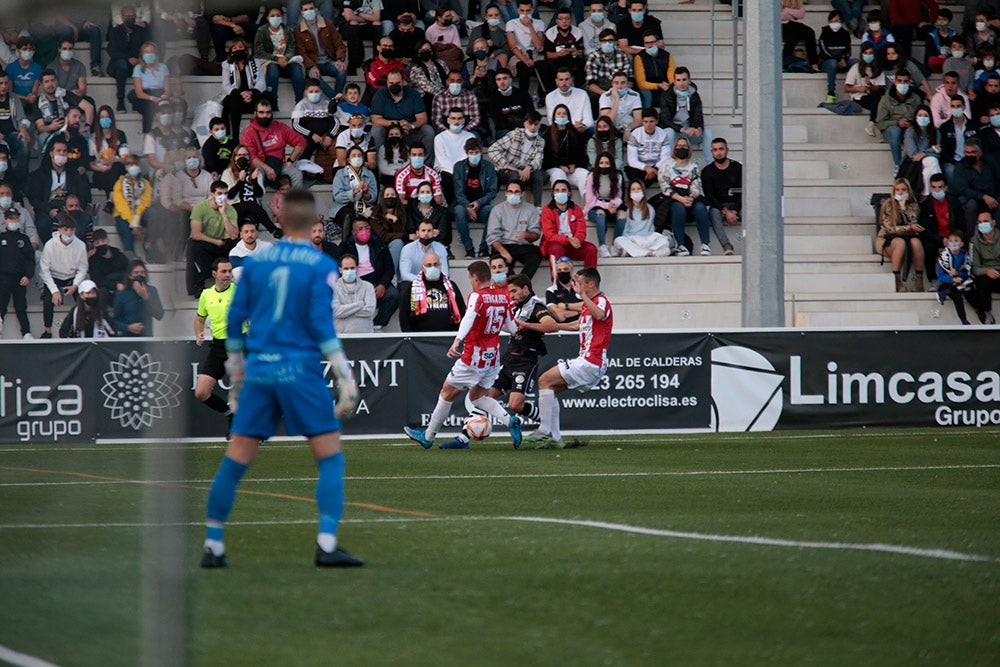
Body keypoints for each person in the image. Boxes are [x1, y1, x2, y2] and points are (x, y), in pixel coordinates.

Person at [202, 188, 362, 569]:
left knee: (236, 460)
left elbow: (235, 325)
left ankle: (213, 545)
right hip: (300, 369)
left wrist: (238, 380)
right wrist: (344, 375)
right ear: (313, 223)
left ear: (281, 220)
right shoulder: (320, 264)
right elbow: (322, 325)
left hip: (260, 369)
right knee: (329, 458)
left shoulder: (255, 264)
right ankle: (326, 544)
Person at [403, 260, 522, 449]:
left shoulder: (477, 296)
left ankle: (428, 436)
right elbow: (511, 327)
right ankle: (509, 420)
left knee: (447, 392)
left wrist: (457, 340)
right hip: (492, 357)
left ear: (475, 278)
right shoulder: (502, 296)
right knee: (477, 397)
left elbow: (469, 317)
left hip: (474, 355)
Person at [447, 272, 555, 448]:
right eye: (510, 292)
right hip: (508, 358)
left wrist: (526, 325)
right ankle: (463, 438)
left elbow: (551, 325)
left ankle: (547, 424)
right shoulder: (517, 306)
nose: (511, 295)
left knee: (516, 405)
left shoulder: (537, 307)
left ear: (526, 289)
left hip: (526, 361)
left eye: (514, 291)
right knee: (485, 396)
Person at [527, 267, 611, 448]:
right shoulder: (590, 306)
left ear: (591, 284)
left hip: (591, 361)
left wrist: (583, 296)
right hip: (589, 362)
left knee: (543, 380)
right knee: (551, 389)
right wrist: (556, 326)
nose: (576, 287)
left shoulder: (601, 301)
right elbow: (576, 326)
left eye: (580, 283)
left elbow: (600, 314)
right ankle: (557, 439)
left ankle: (544, 430)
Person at [194, 257, 237, 434]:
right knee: (201, 392)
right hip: (218, 347)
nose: (228, 275)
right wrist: (199, 332)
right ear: (214, 274)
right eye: (224, 271)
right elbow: (199, 319)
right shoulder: (206, 294)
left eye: (229, 271)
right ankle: (230, 415)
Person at [339, 217, 399, 328]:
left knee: (393, 294)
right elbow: (342, 270)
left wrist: (383, 284)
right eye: (360, 229)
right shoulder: (345, 247)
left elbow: (389, 268)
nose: (364, 231)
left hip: (377, 281)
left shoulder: (379, 244)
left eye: (367, 228)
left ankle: (377, 324)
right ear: (353, 232)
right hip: (357, 283)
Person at [657, 136, 712, 256]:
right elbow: (664, 185)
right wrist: (681, 199)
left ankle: (705, 244)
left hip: (690, 197)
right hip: (673, 198)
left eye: (684, 146)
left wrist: (691, 197)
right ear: (675, 148)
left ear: (688, 148)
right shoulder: (666, 165)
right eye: (679, 146)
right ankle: (680, 245)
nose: (682, 148)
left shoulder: (694, 166)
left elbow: (696, 184)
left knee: (701, 208)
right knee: (678, 208)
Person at [38, 214, 88, 339]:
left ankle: (81, 328)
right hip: (54, 277)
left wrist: (75, 285)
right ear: (59, 230)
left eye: (71, 230)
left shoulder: (81, 245)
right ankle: (47, 331)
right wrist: (55, 290)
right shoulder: (49, 245)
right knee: (48, 300)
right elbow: (44, 270)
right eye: (66, 230)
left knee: (83, 300)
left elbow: (83, 269)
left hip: (72, 278)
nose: (69, 233)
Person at [240, 98, 307, 188]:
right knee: (257, 174)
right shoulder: (248, 133)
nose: (265, 115)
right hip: (259, 166)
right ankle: (257, 201)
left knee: (297, 174)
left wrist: (290, 161)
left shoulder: (280, 127)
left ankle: (293, 202)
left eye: (268, 112)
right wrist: (268, 169)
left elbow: (301, 142)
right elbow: (251, 157)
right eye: (261, 112)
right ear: (255, 113)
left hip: (279, 166)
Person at [189, 180, 240, 296]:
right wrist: (215, 241)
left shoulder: (230, 210)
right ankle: (200, 283)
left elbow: (234, 235)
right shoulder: (200, 207)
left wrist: (223, 214)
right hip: (207, 242)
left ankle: (234, 280)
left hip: (222, 243)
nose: (223, 197)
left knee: (237, 242)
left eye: (225, 194)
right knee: (194, 244)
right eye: (220, 193)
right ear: (212, 194)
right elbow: (196, 233)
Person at [876, 178, 926, 293]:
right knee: (900, 243)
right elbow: (890, 228)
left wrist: (904, 209)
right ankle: (897, 280)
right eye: (897, 190)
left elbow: (915, 223)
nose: (900, 192)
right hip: (887, 239)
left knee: (916, 242)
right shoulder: (887, 204)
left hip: (909, 238)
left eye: (904, 190)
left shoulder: (913, 204)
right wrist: (908, 228)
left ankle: (919, 279)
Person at [370, 69, 435, 156]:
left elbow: (423, 119)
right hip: (389, 131)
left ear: (403, 82)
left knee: (428, 130)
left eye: (397, 83)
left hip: (409, 130)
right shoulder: (380, 94)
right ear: (387, 82)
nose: (394, 86)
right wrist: (395, 123)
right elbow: (375, 120)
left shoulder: (413, 94)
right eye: (391, 83)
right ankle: (378, 164)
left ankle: (425, 165)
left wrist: (411, 125)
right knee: (376, 130)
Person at [487, 110, 546, 204]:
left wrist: (529, 167)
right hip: (507, 170)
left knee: (539, 175)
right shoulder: (514, 134)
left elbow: (538, 160)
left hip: (524, 171)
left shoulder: (541, 141)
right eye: (530, 124)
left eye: (536, 124)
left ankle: (537, 206)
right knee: (514, 175)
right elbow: (492, 150)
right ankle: (513, 204)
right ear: (525, 123)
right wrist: (505, 165)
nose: (533, 127)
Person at [486, 180, 543, 277]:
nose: (513, 194)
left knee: (536, 255)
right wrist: (503, 252)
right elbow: (492, 237)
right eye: (510, 191)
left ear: (522, 194)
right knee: (500, 262)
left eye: (516, 192)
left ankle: (522, 281)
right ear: (506, 193)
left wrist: (527, 235)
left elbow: (536, 234)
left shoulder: (531, 209)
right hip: (504, 245)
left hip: (523, 245)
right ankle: (515, 283)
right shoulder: (497, 210)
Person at [398, 250, 465, 331]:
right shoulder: (413, 288)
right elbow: (404, 314)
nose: (433, 267)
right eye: (429, 265)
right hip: (420, 340)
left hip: (447, 337)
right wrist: (409, 337)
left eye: (435, 264)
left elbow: (462, 311)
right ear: (423, 268)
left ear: (440, 266)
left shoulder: (451, 286)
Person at [452, 138, 497, 258]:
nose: (474, 155)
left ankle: (484, 247)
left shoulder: (488, 167)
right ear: (466, 153)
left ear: (481, 151)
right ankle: (469, 248)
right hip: (463, 207)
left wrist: (479, 202)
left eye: (476, 152)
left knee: (494, 211)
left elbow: (493, 191)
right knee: (458, 210)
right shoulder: (459, 167)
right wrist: (467, 206)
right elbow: (458, 192)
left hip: (481, 207)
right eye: (471, 153)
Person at [294, 1, 348, 100]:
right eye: (305, 10)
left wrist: (340, 59)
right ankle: (335, 98)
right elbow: (301, 53)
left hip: (328, 61)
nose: (308, 11)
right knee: (313, 76)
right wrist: (312, 66)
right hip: (313, 64)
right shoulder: (298, 30)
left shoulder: (328, 24)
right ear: (301, 13)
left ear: (316, 10)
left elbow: (338, 43)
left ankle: (338, 94)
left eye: (311, 9)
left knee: (342, 70)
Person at [254, 7, 306, 109]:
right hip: (270, 61)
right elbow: (259, 52)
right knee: (272, 71)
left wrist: (286, 58)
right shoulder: (261, 31)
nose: (275, 18)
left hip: (286, 62)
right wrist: (276, 59)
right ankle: (273, 104)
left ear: (282, 17)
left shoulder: (287, 30)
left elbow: (291, 47)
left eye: (278, 15)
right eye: (272, 16)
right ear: (267, 18)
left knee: (297, 70)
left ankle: (300, 103)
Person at [541, 179, 598, 268]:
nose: (560, 193)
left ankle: (588, 279)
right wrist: (567, 239)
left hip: (573, 245)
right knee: (556, 249)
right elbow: (550, 235)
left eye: (563, 190)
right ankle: (557, 281)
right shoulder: (547, 210)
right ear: (553, 194)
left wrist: (577, 239)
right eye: (557, 190)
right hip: (554, 244)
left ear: (569, 193)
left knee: (591, 249)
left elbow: (581, 230)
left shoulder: (576, 209)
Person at [660, 67, 711, 162]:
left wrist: (699, 128)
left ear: (689, 81)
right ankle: (669, 164)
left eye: (684, 79)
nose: (681, 83)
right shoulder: (666, 96)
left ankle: (711, 163)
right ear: (674, 82)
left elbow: (698, 115)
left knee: (707, 132)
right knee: (668, 132)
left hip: (689, 132)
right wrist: (682, 129)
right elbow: (665, 120)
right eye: (678, 80)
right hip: (675, 132)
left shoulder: (695, 95)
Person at [951, 138, 998, 240]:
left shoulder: (989, 162)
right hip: (973, 199)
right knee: (971, 205)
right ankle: (970, 239)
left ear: (980, 153)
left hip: (992, 197)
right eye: (967, 152)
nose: (970, 155)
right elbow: (962, 189)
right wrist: (983, 196)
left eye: (973, 152)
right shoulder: (960, 167)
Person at [220, 38, 267, 138]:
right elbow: (226, 85)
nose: (238, 50)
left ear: (246, 50)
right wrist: (241, 94)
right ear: (231, 52)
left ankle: (263, 133)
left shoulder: (255, 62)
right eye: (235, 48)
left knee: (264, 99)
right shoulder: (226, 65)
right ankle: (235, 137)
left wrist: (251, 93)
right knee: (234, 101)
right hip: (236, 96)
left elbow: (261, 82)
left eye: (241, 47)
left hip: (251, 96)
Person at [875, 69, 923, 168]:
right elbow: (879, 123)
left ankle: (915, 164)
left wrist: (913, 122)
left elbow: (921, 116)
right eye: (899, 81)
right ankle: (898, 165)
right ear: (895, 82)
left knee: (912, 132)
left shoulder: (916, 99)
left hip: (910, 129)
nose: (902, 84)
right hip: (892, 130)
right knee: (895, 131)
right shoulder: (886, 100)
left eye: (905, 81)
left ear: (910, 82)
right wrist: (897, 122)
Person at [700, 137, 739, 256]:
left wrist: (735, 210)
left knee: (750, 211)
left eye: (721, 149)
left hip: (737, 204)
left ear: (727, 150)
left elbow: (743, 192)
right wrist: (726, 211)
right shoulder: (707, 171)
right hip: (719, 206)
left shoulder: (738, 168)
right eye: (715, 150)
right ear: (711, 152)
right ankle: (726, 245)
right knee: (713, 212)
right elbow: (710, 197)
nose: (718, 152)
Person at [919, 174, 964, 278]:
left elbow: (960, 223)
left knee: (963, 245)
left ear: (946, 188)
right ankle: (933, 279)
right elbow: (925, 229)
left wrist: (953, 238)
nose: (937, 190)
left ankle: (961, 277)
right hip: (935, 238)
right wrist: (941, 239)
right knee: (928, 247)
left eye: (940, 187)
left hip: (953, 236)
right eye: (934, 187)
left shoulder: (954, 202)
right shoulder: (925, 205)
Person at [329, 146, 378, 238]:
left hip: (364, 206)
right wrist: (354, 192)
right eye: (354, 155)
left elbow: (373, 197)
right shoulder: (340, 174)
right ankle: (346, 244)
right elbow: (337, 197)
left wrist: (366, 193)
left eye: (359, 155)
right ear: (348, 159)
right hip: (343, 206)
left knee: (375, 216)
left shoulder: (369, 174)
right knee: (349, 215)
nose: (357, 158)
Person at [613, 179, 671, 257]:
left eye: (638, 189)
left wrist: (648, 240)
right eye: (633, 189)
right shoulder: (626, 209)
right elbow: (625, 231)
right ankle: (649, 253)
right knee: (618, 240)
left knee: (664, 240)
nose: (636, 191)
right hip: (632, 239)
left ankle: (636, 252)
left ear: (643, 191)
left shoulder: (650, 208)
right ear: (630, 193)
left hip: (647, 239)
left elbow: (651, 229)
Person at [0, 206, 34, 339]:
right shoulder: (1, 238)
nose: (14, 221)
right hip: (3, 278)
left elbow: (30, 259)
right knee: (1, 305)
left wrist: (28, 275)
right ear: (6, 220)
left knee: (21, 306)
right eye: (11, 219)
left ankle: (26, 332)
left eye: (16, 219)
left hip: (20, 278)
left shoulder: (24, 239)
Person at [543, 103, 591, 197]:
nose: (561, 115)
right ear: (554, 116)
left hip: (571, 170)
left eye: (564, 114)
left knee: (585, 175)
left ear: (568, 116)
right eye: (559, 113)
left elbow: (582, 155)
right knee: (559, 173)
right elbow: (546, 158)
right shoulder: (547, 134)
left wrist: (575, 165)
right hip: (554, 169)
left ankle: (588, 206)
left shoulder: (574, 133)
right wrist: (559, 166)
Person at [110, 154, 152, 256]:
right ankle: (130, 256)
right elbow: (121, 206)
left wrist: (136, 222)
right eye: (129, 164)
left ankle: (149, 246)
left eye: (135, 164)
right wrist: (134, 225)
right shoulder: (119, 183)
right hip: (124, 216)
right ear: (126, 167)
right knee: (124, 227)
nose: (132, 166)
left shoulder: (145, 184)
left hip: (140, 214)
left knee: (154, 215)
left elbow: (144, 203)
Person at [584, 151, 625, 255]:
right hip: (595, 206)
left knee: (622, 215)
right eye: (601, 163)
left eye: (607, 163)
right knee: (600, 214)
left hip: (612, 204)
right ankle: (602, 246)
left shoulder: (618, 176)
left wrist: (613, 204)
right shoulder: (592, 176)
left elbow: (619, 196)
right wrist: (606, 206)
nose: (604, 165)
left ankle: (615, 245)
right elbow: (590, 200)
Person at [0, 71, 32, 198]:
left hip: (11, 136)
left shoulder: (13, 98)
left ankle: (20, 182)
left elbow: (22, 119)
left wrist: (23, 129)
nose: (3, 86)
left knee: (24, 142)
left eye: (6, 83)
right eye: (0, 83)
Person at [434, 107, 477, 201]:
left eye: (459, 118)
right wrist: (456, 174)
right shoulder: (440, 138)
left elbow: (470, 158)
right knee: (448, 179)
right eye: (453, 118)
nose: (456, 121)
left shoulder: (470, 137)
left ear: (463, 120)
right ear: (448, 120)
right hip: (446, 172)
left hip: (465, 171)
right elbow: (442, 161)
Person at [112, 258, 163, 337]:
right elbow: (115, 321)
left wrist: (145, 297)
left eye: (142, 272)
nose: (139, 275)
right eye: (136, 272)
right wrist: (128, 327)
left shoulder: (152, 290)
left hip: (147, 338)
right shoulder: (122, 293)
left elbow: (159, 314)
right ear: (130, 275)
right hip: (128, 338)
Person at [128, 42, 172, 134]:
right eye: (146, 52)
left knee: (167, 106)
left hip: (159, 93)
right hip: (145, 95)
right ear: (142, 55)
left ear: (156, 54)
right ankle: (147, 136)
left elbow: (167, 89)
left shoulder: (163, 67)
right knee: (147, 107)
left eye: (151, 52)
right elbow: (139, 93)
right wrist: (152, 98)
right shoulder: (138, 68)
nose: (149, 54)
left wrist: (165, 95)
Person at [52, 39, 96, 129]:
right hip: (61, 98)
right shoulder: (52, 67)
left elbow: (83, 89)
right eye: (64, 48)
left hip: (75, 98)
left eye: (70, 48)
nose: (67, 51)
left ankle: (91, 131)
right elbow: (53, 89)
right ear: (59, 49)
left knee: (90, 101)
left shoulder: (79, 66)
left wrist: (78, 92)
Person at [291, 79, 339, 162]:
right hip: (308, 137)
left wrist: (329, 135)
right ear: (306, 92)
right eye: (311, 91)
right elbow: (296, 125)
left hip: (325, 136)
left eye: (316, 91)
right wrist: (311, 135)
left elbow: (336, 122)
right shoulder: (301, 105)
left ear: (321, 92)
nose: (314, 94)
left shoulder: (327, 104)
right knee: (304, 145)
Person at [506, 0, 547, 95]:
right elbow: (513, 47)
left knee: (545, 67)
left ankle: (542, 95)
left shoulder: (539, 23)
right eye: (522, 11)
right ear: (518, 10)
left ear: (532, 11)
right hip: (519, 54)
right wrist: (525, 59)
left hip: (535, 53)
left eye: (528, 11)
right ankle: (523, 95)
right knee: (524, 69)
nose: (525, 14)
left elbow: (539, 46)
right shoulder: (511, 23)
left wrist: (530, 26)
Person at [845, 42, 887, 133]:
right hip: (859, 97)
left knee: (878, 99)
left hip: (874, 96)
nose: (868, 55)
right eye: (866, 53)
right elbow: (846, 88)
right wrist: (858, 88)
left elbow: (880, 88)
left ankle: (872, 123)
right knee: (877, 102)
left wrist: (870, 86)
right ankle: (876, 126)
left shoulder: (878, 69)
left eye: (870, 53)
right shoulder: (855, 68)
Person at [90, 106, 129, 200]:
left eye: (107, 117)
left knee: (116, 167)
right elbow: (90, 164)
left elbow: (125, 159)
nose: (104, 119)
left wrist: (114, 159)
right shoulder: (92, 138)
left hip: (117, 171)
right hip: (101, 173)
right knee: (110, 175)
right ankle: (111, 201)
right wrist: (101, 169)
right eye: (102, 117)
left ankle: (111, 199)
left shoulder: (120, 135)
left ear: (111, 119)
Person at [902, 106, 942, 196]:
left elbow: (938, 152)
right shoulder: (910, 131)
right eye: (920, 115)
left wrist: (924, 153)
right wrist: (931, 150)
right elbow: (913, 155)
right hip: (912, 164)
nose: (923, 118)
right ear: (916, 117)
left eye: (925, 116)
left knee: (929, 167)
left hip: (930, 162)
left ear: (930, 118)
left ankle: (926, 195)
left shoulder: (936, 132)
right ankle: (936, 193)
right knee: (932, 161)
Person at [333, 253, 377, 333]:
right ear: (340, 270)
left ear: (357, 268)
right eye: (346, 268)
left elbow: (369, 310)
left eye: (352, 268)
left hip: (365, 336)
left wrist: (345, 312)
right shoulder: (333, 289)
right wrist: (360, 304)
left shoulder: (368, 287)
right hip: (342, 337)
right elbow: (336, 312)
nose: (349, 271)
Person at [939, 94, 979, 183]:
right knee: (950, 170)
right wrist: (953, 161)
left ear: (964, 107)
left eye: (958, 106)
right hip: (952, 161)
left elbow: (978, 144)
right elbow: (943, 149)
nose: (955, 108)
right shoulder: (945, 127)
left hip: (970, 159)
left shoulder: (973, 125)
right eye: (953, 106)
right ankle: (954, 195)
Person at [936, 231, 973, 325]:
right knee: (956, 294)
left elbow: (967, 272)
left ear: (961, 244)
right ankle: (963, 319)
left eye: (956, 240)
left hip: (960, 283)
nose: (953, 243)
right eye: (951, 240)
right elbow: (940, 276)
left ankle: (981, 313)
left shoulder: (964, 256)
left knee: (971, 287)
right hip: (946, 283)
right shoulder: (943, 257)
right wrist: (952, 279)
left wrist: (958, 274)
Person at [625, 106, 670, 184]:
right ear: (642, 122)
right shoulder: (635, 134)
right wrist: (646, 168)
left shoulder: (663, 134)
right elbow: (632, 160)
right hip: (640, 167)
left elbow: (666, 157)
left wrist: (654, 169)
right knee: (633, 173)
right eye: (645, 122)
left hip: (657, 167)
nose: (648, 125)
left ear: (657, 121)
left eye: (651, 121)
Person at [545, 68, 595, 137]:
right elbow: (551, 121)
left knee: (592, 130)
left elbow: (589, 120)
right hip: (560, 130)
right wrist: (572, 127)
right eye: (561, 80)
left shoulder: (582, 94)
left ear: (571, 80)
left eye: (567, 79)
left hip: (580, 129)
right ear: (556, 81)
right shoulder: (550, 97)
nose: (564, 83)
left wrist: (582, 125)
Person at [544, 8, 586, 88]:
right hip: (557, 61)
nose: (564, 22)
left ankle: (580, 89)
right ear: (556, 21)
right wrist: (559, 54)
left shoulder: (577, 32)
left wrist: (576, 53)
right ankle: (547, 94)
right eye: (561, 19)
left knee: (582, 63)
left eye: (567, 19)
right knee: (546, 66)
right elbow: (548, 54)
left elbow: (581, 52)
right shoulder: (550, 33)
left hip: (572, 60)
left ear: (571, 20)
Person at [405, 180, 452, 252]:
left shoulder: (442, 212)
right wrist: (431, 233)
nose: (425, 194)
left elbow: (444, 235)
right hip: (415, 247)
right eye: (422, 192)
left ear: (432, 195)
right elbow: (410, 233)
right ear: (417, 195)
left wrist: (420, 235)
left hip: (437, 246)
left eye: (428, 192)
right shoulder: (410, 211)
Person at [971, 209, 1000, 324]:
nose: (983, 224)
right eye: (980, 222)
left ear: (993, 222)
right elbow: (975, 268)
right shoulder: (974, 242)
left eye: (985, 221)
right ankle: (987, 314)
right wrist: (987, 271)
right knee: (983, 281)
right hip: (985, 275)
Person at [488, 68, 533, 140]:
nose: (502, 82)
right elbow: (499, 122)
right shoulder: (493, 99)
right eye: (498, 79)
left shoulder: (523, 94)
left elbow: (531, 114)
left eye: (505, 78)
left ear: (511, 79)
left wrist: (522, 128)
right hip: (505, 131)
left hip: (524, 127)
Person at [818, 10, 853, 104]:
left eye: (837, 21)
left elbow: (848, 51)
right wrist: (838, 60)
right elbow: (824, 51)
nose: (834, 23)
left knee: (855, 63)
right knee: (833, 62)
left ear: (841, 22)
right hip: (827, 63)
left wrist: (844, 60)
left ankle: (856, 91)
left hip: (842, 62)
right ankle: (831, 92)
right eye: (832, 21)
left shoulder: (845, 34)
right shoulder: (824, 33)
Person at [369, 186, 408, 269]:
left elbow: (402, 232)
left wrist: (395, 221)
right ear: (382, 198)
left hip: (398, 245)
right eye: (387, 195)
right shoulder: (375, 213)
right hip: (380, 245)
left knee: (398, 242)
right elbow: (383, 236)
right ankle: (390, 272)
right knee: (397, 242)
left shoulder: (403, 212)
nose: (390, 197)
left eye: (393, 195)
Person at [342, 0, 385, 75]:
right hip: (349, 28)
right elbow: (349, 17)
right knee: (353, 23)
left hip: (367, 27)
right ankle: (353, 65)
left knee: (377, 24)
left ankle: (377, 62)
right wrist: (369, 18)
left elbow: (377, 17)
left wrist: (358, 14)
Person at [633, 30, 672, 109]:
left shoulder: (667, 56)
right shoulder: (639, 57)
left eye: (652, 42)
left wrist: (668, 86)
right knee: (646, 95)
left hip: (664, 87)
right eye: (647, 43)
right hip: (648, 88)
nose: (650, 45)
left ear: (657, 42)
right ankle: (647, 118)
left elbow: (672, 77)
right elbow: (641, 84)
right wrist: (658, 86)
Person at [88, 228, 129, 305]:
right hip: (106, 291)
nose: (101, 244)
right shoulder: (93, 260)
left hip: (122, 288)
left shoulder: (119, 255)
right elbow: (97, 280)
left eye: (103, 241)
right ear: (93, 245)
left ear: (108, 241)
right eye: (97, 243)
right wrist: (115, 285)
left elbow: (128, 272)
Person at [599, 71, 641, 139]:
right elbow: (607, 121)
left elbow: (638, 120)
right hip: (610, 127)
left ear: (627, 84)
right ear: (612, 84)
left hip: (627, 126)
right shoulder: (605, 96)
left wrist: (628, 130)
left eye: (623, 83)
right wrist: (616, 99)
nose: (619, 86)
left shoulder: (635, 95)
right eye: (616, 83)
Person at [229, 219, 274, 283]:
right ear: (241, 234)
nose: (250, 235)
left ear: (257, 233)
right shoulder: (235, 253)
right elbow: (240, 276)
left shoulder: (268, 247)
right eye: (246, 232)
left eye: (252, 231)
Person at [5, 37, 42, 116]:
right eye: (24, 49)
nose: (27, 51)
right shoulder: (11, 68)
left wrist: (32, 96)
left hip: (32, 100)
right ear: (18, 50)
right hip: (16, 100)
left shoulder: (37, 68)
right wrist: (25, 98)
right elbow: (10, 91)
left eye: (30, 49)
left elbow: (35, 90)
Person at [545, 255, 581, 323]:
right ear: (556, 272)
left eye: (566, 269)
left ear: (572, 270)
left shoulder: (581, 287)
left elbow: (589, 306)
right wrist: (578, 311)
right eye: (559, 270)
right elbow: (557, 315)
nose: (562, 272)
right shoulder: (551, 291)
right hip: (562, 330)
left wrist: (565, 306)